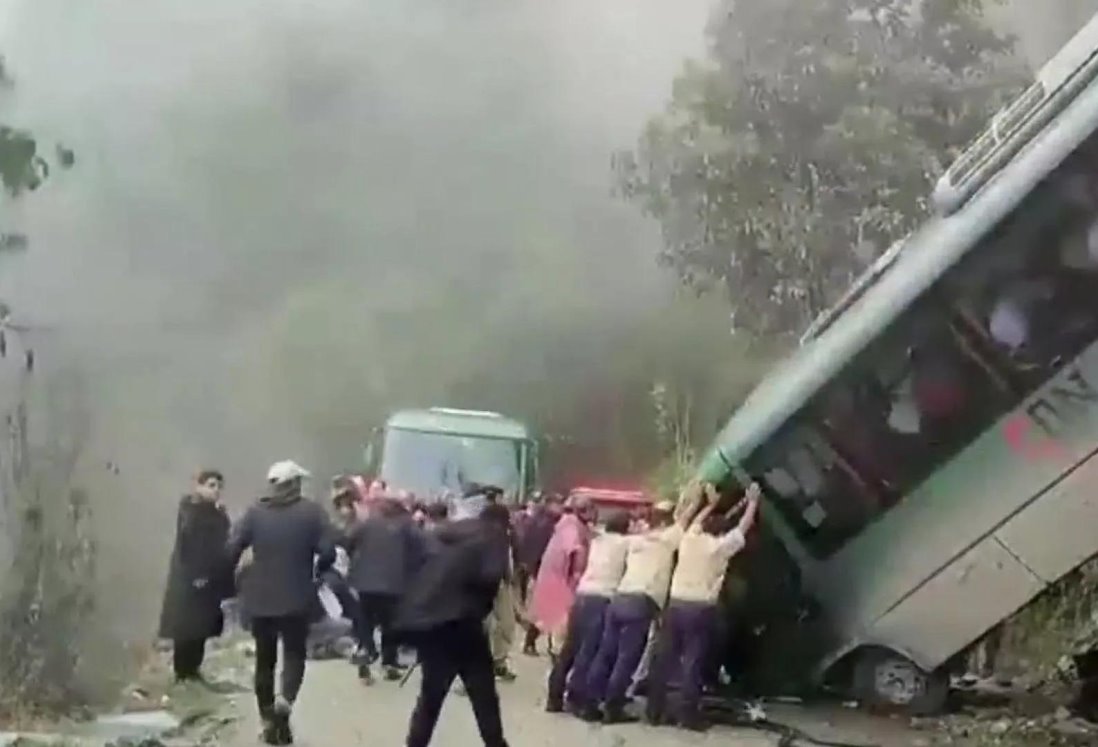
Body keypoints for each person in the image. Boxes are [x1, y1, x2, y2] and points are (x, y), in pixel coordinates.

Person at [227, 460, 337, 746]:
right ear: (294, 485)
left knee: (264, 660)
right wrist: (317, 568)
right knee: (294, 654)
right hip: (297, 598)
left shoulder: (254, 513)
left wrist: (230, 582)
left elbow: (232, 548)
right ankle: (284, 703)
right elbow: (328, 551)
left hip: (259, 598)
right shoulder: (312, 513)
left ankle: (267, 718)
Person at [394, 485, 511, 747]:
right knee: (484, 696)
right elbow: (491, 575)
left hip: (434, 626)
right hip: (466, 624)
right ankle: (496, 744)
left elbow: (416, 572)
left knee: (430, 697)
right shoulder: (491, 536)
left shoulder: (438, 534)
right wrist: (482, 604)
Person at [580, 484, 704, 723]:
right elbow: (686, 518)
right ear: (668, 522)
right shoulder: (668, 539)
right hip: (640, 602)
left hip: (619, 598)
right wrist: (699, 499)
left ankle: (591, 701)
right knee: (627, 658)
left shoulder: (635, 539)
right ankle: (613, 708)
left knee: (606, 654)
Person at [645, 483, 760, 731]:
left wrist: (711, 504)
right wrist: (752, 502)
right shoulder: (719, 549)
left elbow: (697, 521)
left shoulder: (689, 539)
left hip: (675, 605)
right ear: (720, 534)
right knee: (693, 662)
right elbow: (743, 528)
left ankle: (654, 710)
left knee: (665, 659)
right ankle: (688, 714)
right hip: (700, 609)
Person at [545, 509, 631, 713]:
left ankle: (554, 697)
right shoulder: (625, 544)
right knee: (589, 650)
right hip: (602, 598)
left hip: (582, 595)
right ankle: (577, 697)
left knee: (569, 649)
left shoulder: (597, 541)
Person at [158, 469, 231, 683]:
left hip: (209, 577)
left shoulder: (215, 513)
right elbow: (188, 545)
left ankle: (194, 670)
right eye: (211, 485)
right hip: (189, 577)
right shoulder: (191, 511)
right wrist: (196, 573)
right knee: (186, 627)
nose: (215, 491)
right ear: (198, 486)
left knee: (201, 627)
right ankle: (183, 671)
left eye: (218, 487)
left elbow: (223, 540)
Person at [342, 495, 419, 682]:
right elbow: (418, 549)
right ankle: (389, 663)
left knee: (366, 620)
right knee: (391, 624)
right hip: (394, 582)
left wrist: (355, 560)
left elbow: (347, 541)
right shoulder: (406, 525)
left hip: (365, 582)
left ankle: (365, 651)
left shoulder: (367, 523)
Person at [527, 500, 590, 659]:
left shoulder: (566, 525)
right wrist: (577, 573)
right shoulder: (572, 527)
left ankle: (538, 644)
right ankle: (553, 650)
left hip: (552, 573)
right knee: (555, 616)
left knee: (548, 614)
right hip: (558, 575)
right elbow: (576, 551)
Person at [516, 495, 562, 655]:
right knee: (548, 611)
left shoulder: (541, 522)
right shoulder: (546, 525)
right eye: (558, 503)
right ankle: (534, 642)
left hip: (541, 571)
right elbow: (538, 548)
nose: (560, 507)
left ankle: (540, 643)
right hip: (547, 572)